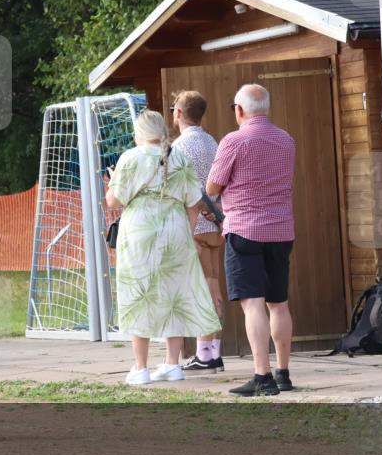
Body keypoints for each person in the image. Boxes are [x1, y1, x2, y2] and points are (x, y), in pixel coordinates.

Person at [106, 110, 221, 385]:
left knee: (139, 292)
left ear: (140, 132)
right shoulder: (179, 157)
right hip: (176, 230)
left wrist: (113, 179)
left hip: (140, 232)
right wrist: (189, 234)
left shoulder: (130, 158)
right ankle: (172, 364)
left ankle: (141, 367)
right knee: (175, 293)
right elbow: (193, 204)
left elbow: (112, 200)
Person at [207, 84, 296, 397]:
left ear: (239, 110)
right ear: (266, 107)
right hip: (282, 230)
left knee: (253, 303)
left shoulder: (234, 140)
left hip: (245, 229)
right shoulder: (286, 140)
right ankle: (283, 372)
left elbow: (213, 186)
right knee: (279, 303)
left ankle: (262, 376)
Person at [169, 91, 226, 372]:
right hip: (215, 222)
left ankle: (205, 353)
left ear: (179, 112)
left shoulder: (179, 146)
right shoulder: (211, 141)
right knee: (213, 284)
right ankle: (214, 351)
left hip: (194, 224)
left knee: (201, 289)